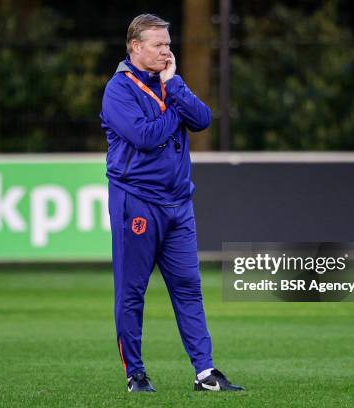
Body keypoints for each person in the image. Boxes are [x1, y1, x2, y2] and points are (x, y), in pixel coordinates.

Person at [100, 13, 244, 393]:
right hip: (138, 203)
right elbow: (145, 137)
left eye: (168, 43)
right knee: (131, 292)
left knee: (189, 290)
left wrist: (174, 86)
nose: (167, 50)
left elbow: (203, 118)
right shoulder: (118, 89)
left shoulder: (169, 82)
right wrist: (173, 109)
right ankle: (136, 373)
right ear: (135, 47)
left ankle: (205, 373)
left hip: (179, 205)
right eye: (159, 44)